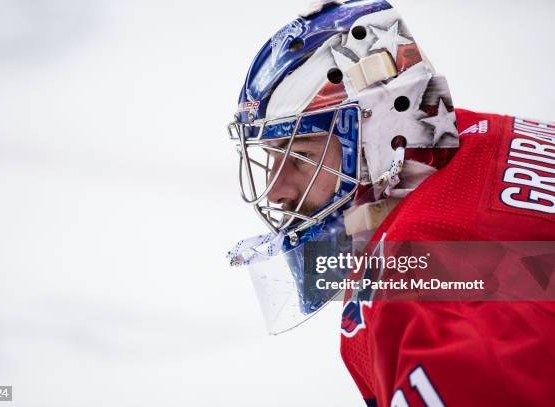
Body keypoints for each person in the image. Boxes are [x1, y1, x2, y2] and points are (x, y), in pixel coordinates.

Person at [226, 0, 555, 406]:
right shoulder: (491, 133)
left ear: (381, 135)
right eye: (272, 158)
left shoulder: (412, 283)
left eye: (302, 155)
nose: (277, 191)